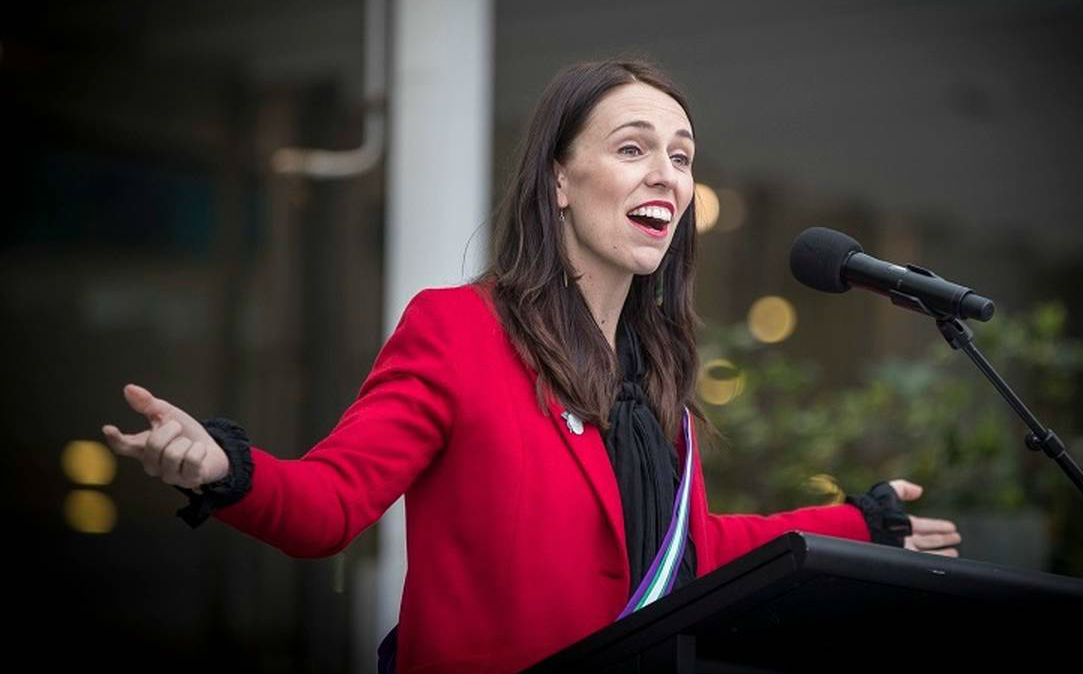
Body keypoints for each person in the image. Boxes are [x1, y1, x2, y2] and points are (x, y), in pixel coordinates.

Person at [102, 59, 961, 674]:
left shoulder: (657, 375)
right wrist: (221, 467)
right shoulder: (456, 331)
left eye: (682, 154)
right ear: (557, 179)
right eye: (632, 148)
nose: (665, 171)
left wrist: (858, 526)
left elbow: (685, 553)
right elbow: (330, 505)